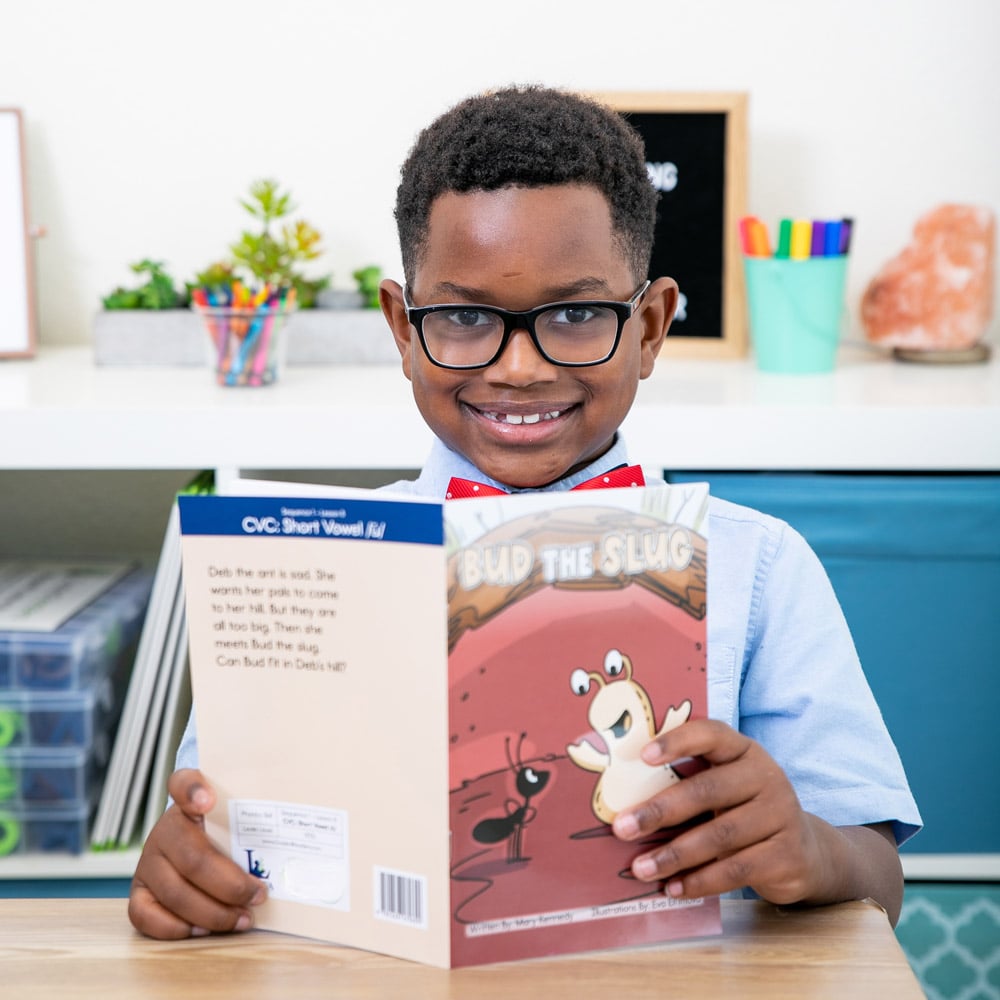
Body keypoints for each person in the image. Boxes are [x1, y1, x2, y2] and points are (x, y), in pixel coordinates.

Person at [128, 85, 920, 940]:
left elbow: (879, 877)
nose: (518, 369)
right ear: (402, 328)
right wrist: (181, 870)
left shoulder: (760, 565)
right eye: (464, 317)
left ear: (650, 327)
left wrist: (810, 848)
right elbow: (202, 837)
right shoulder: (313, 574)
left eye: (577, 315)